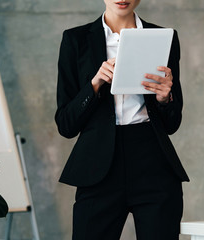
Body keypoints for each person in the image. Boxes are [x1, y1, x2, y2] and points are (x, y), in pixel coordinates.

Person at [55, 0, 189, 239]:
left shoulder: (162, 38)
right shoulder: (76, 40)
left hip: (153, 160)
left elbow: (172, 123)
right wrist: (94, 85)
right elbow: (65, 124)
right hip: (98, 165)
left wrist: (165, 98)